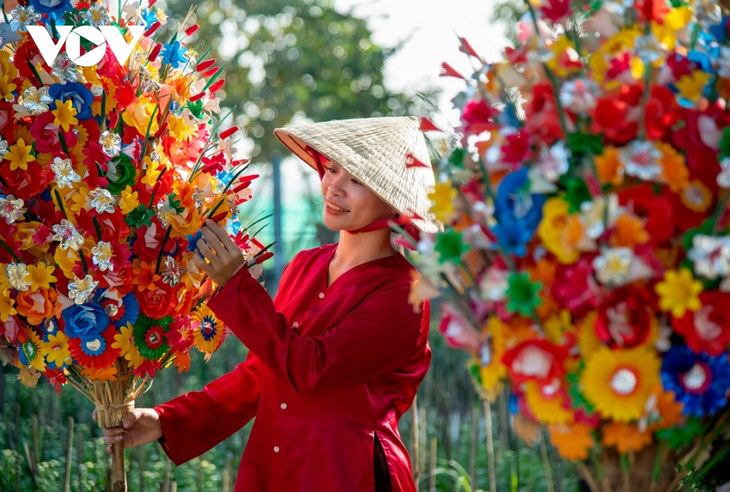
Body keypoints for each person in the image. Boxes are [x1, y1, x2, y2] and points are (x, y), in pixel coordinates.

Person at [97, 116, 441, 491]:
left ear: (393, 201)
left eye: (357, 180)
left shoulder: (403, 293)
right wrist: (167, 421)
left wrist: (236, 284)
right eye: (332, 169)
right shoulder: (306, 264)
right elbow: (261, 374)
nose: (334, 187)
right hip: (273, 468)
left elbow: (311, 368)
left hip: (348, 473)